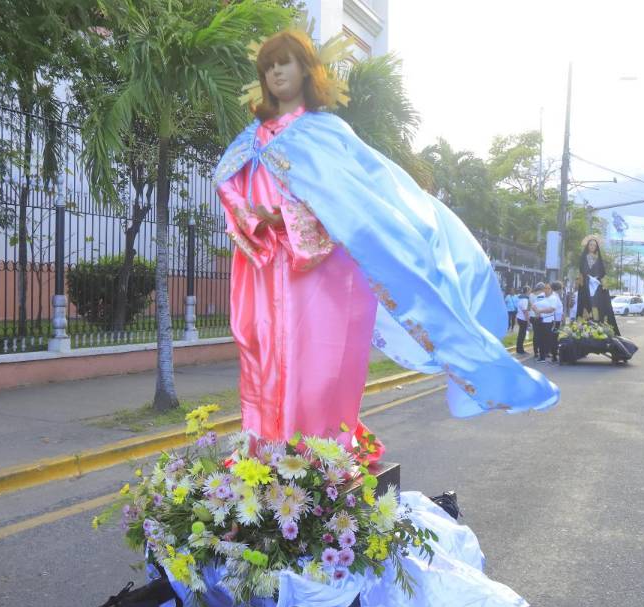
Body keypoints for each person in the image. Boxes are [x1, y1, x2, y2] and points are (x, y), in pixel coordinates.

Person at [215, 29, 558, 439]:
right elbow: (227, 184)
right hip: (264, 269)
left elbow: (354, 203)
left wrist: (287, 218)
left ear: (305, 69)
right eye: (267, 66)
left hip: (318, 274)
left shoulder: (327, 132)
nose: (275, 73)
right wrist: (255, 221)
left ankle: (319, 456)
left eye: (283, 63)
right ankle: (266, 451)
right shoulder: (249, 139)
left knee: (317, 364)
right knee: (263, 357)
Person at [532, 282, 562, 364]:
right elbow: (533, 305)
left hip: (548, 320)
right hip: (539, 319)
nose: (546, 290)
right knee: (540, 338)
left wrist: (540, 311)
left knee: (548, 339)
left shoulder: (554, 298)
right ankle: (541, 356)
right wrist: (537, 312)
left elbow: (552, 309)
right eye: (545, 288)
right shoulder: (540, 295)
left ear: (551, 290)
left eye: (548, 288)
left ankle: (552, 355)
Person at [514, 285, 531, 354]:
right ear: (527, 291)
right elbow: (525, 311)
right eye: (529, 290)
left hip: (519, 317)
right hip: (523, 319)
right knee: (522, 335)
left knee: (521, 334)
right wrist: (528, 321)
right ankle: (520, 349)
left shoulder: (520, 298)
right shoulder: (525, 299)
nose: (530, 292)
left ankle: (519, 348)